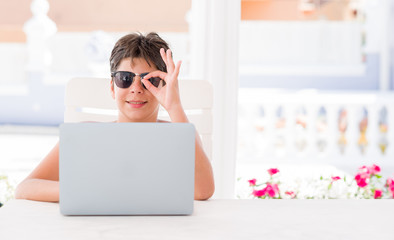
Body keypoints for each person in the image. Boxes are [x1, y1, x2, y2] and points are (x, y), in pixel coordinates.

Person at [15, 32, 215, 202]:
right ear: (112, 87)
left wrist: (174, 106)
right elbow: (25, 188)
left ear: (163, 85)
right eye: (125, 79)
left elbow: (203, 190)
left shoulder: (180, 135)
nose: (136, 89)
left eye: (149, 80)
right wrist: (83, 190)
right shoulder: (86, 135)